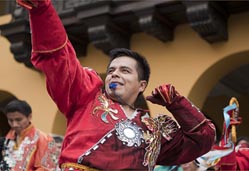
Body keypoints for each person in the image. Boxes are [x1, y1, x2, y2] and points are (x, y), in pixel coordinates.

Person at [16, 0, 216, 170]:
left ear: (141, 85)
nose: (115, 75)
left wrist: (177, 103)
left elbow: (204, 139)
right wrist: (42, 10)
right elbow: (60, 58)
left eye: (125, 71)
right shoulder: (86, 97)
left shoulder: (154, 131)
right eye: (111, 70)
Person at [0, 99, 58, 171]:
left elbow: (46, 168)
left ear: (29, 117)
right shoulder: (5, 140)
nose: (14, 124)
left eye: (18, 120)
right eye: (11, 120)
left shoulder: (44, 139)